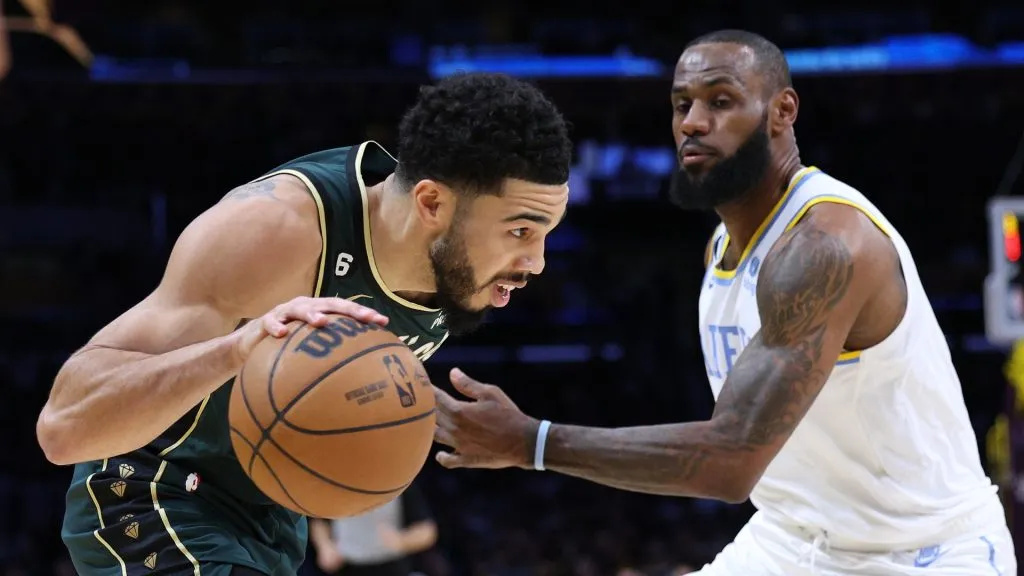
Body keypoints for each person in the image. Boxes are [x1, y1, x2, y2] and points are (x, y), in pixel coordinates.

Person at [431, 30, 1016, 575]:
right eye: (681, 104)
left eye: (720, 101)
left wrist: (529, 441)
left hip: (922, 552)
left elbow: (729, 461)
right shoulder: (723, 242)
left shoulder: (826, 245)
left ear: (782, 112)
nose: (693, 122)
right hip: (793, 539)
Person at [36, 71, 572, 576]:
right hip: (151, 493)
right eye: (521, 232)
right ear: (432, 202)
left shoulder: (451, 269)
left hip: (271, 518)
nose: (538, 262)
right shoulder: (276, 230)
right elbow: (63, 428)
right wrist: (236, 349)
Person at [309, 481, 437, 576]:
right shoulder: (335, 483)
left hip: (390, 565)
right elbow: (318, 521)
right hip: (347, 564)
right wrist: (325, 546)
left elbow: (427, 530)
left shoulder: (400, 481)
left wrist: (402, 540)